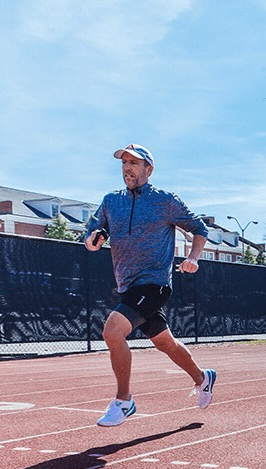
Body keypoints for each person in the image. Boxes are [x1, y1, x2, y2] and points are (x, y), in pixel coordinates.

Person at [85, 144, 216, 427]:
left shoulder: (164, 201)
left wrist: (193, 257)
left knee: (112, 331)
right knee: (165, 344)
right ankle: (202, 378)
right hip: (126, 285)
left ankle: (124, 401)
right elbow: (93, 232)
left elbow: (200, 228)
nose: (127, 167)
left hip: (154, 283)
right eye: (124, 163)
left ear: (149, 169)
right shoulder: (111, 201)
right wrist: (94, 239)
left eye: (134, 162)